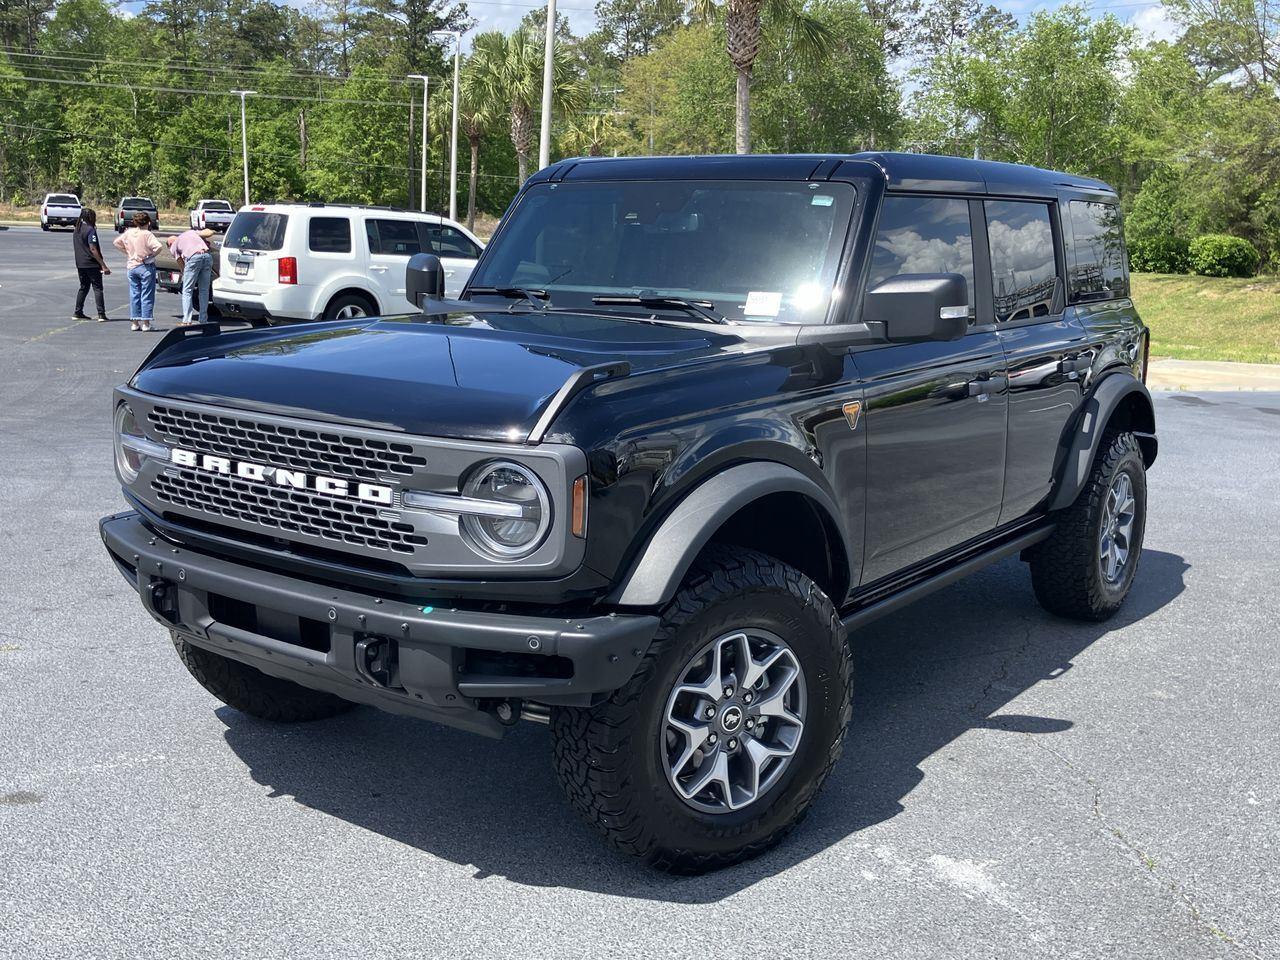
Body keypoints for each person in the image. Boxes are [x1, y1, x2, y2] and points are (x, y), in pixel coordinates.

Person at [113, 210, 163, 332]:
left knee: (134, 294)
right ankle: (146, 323)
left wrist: (128, 252)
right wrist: (151, 256)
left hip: (132, 266)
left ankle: (135, 323)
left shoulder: (129, 232)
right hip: (145, 266)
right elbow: (159, 247)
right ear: (148, 222)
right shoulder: (147, 234)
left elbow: (116, 242)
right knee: (146, 294)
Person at [167, 227, 217, 325]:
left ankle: (187, 320)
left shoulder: (173, 246)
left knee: (187, 290)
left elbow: (181, 265)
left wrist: (185, 275)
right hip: (207, 256)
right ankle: (203, 320)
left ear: (169, 244)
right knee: (204, 290)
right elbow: (207, 233)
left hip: (193, 258)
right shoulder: (190, 233)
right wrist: (213, 230)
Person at [71, 208, 111, 322]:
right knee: (97, 288)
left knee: (83, 287)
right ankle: (101, 314)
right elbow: (93, 248)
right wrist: (103, 265)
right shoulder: (90, 230)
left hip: (80, 263)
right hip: (91, 263)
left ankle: (77, 312)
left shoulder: (77, 229)